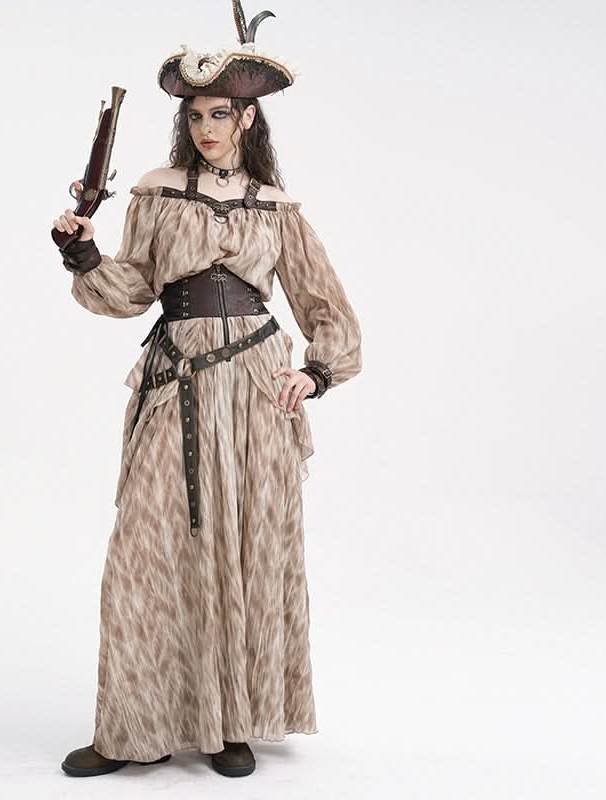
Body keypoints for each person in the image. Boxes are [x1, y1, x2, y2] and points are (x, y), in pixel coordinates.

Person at [52, 0, 362, 779]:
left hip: (255, 393)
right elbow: (132, 289)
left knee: (242, 548)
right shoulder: (157, 193)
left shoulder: (277, 209)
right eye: (194, 116)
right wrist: (84, 256)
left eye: (219, 114)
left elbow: (326, 305)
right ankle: (135, 728)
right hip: (178, 384)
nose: (204, 128)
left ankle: (229, 724)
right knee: (145, 550)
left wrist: (316, 371)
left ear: (248, 118)